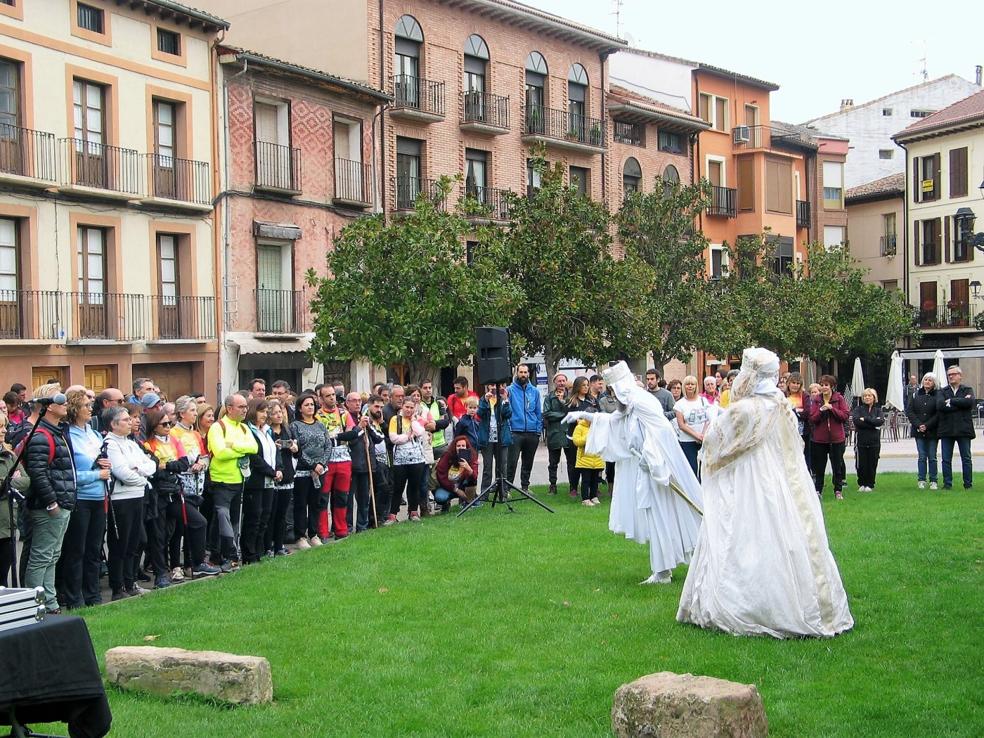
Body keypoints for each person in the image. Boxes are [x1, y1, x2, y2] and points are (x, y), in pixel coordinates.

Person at [676, 347, 854, 639]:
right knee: (787, 534)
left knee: (748, 533)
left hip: (751, 478)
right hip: (782, 477)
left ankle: (755, 606)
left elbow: (715, 443)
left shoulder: (747, 409)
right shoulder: (780, 403)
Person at [563, 361, 703, 584]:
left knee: (662, 515)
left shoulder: (641, 402)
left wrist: (654, 461)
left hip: (657, 469)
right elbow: (613, 420)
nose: (614, 397)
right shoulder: (630, 404)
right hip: (647, 469)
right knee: (656, 516)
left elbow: (661, 431)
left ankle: (664, 570)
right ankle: (662, 569)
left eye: (615, 392)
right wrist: (583, 415)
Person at [23, 385, 75, 612]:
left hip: (61, 502)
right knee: (41, 556)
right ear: (48, 407)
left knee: (52, 555)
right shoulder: (41, 436)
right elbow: (38, 472)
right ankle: (35, 605)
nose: (65, 405)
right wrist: (51, 502)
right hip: (49, 507)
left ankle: (50, 601)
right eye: (60, 401)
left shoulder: (55, 432)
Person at [60, 390, 111, 608]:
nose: (91, 408)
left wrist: (105, 465)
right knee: (76, 550)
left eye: (90, 405)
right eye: (85, 406)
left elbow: (102, 461)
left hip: (99, 497)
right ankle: (75, 597)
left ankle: (93, 595)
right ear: (74, 410)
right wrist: (95, 474)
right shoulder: (67, 436)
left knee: (94, 549)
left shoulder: (95, 433)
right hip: (80, 498)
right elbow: (69, 474)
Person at [104, 406, 156, 600]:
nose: (131, 422)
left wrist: (140, 470)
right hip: (121, 498)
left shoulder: (131, 443)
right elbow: (121, 471)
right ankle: (118, 587)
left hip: (137, 496)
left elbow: (150, 464)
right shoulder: (110, 444)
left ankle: (130, 581)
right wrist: (143, 480)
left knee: (135, 541)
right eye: (125, 420)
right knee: (121, 543)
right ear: (113, 424)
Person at [206, 394, 258, 568]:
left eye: (246, 407)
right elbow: (220, 452)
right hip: (221, 480)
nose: (245, 410)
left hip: (239, 480)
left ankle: (219, 554)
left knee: (234, 519)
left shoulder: (244, 428)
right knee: (223, 517)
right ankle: (230, 555)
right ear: (229, 408)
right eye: (241, 407)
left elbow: (253, 448)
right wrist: (241, 450)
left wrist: (233, 446)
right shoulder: (217, 427)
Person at [169, 397, 218, 577]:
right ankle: (176, 566)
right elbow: (174, 459)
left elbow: (204, 456)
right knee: (178, 529)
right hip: (181, 486)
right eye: (192, 411)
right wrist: (191, 464)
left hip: (197, 485)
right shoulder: (174, 434)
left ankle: (191, 563)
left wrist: (202, 464)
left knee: (192, 526)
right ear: (181, 413)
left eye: (196, 411)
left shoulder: (196, 434)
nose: (195, 414)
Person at [240, 398, 281, 563]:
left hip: (269, 482)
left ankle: (259, 551)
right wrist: (271, 472)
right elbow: (254, 457)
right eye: (261, 411)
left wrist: (279, 469)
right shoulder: (247, 430)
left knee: (265, 517)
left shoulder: (267, 430)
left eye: (266, 411)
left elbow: (274, 451)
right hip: (256, 481)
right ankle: (249, 555)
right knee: (254, 518)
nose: (265, 415)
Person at [289, 393, 332, 548]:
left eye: (312, 405)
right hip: (303, 472)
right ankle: (300, 536)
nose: (310, 407)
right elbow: (297, 450)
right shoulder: (295, 426)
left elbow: (328, 445)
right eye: (306, 405)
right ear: (300, 408)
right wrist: (312, 465)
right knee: (301, 504)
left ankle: (313, 534)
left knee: (317, 503)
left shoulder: (320, 425)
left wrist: (321, 464)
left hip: (320, 471)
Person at [318, 388, 361, 539]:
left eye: (333, 395)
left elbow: (352, 434)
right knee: (323, 498)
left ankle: (341, 530)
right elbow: (321, 439)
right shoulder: (318, 415)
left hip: (344, 459)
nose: (331, 398)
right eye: (327, 396)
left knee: (342, 497)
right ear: (321, 399)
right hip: (326, 460)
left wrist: (334, 438)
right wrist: (340, 437)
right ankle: (322, 532)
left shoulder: (343, 413)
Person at [345, 393, 383, 532]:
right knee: (348, 500)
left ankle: (362, 525)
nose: (357, 403)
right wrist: (359, 428)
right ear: (347, 403)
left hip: (366, 465)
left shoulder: (365, 418)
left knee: (364, 499)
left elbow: (379, 438)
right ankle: (347, 527)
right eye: (354, 401)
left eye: (359, 401)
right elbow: (350, 439)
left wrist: (369, 426)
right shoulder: (345, 417)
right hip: (351, 464)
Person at [808, 375, 850, 500]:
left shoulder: (839, 398)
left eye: (826, 385)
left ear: (832, 386)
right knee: (819, 467)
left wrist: (832, 409)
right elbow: (812, 418)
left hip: (837, 439)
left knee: (837, 466)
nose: (824, 387)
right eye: (822, 385)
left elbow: (845, 415)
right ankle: (818, 490)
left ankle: (838, 490)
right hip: (820, 439)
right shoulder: (817, 400)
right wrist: (821, 410)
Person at [0, 414, 30, 587]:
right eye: (0, 426)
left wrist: (9, 481)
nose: (4, 430)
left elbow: (26, 481)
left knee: (3, 577)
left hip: (7, 527)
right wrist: (10, 481)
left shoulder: (9, 455)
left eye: (4, 426)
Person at [388, 396, 428, 523]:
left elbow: (420, 432)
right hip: (400, 459)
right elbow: (394, 438)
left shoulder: (416, 419)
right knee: (398, 487)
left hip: (417, 459)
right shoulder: (395, 419)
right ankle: (393, 514)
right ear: (402, 407)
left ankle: (413, 511)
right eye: (407, 407)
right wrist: (407, 436)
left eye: (411, 408)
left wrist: (413, 421)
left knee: (414, 486)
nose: (409, 410)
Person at [937, 365, 976, 490]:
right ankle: (947, 484)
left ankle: (968, 484)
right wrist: (960, 403)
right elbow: (940, 406)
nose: (951, 377)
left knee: (966, 458)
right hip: (947, 429)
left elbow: (969, 403)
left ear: (960, 375)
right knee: (946, 459)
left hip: (964, 429)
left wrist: (952, 401)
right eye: (949, 375)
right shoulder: (942, 391)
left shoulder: (967, 389)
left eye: (953, 374)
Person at [267, 399, 297, 553]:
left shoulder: (287, 429)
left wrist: (293, 447)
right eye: (274, 413)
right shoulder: (267, 431)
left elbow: (296, 450)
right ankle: (269, 545)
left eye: (280, 412)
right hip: (272, 474)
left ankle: (279, 545)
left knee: (282, 514)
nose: (278, 415)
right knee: (271, 513)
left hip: (287, 473)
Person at [506, 364, 542, 494]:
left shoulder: (535, 392)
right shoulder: (509, 390)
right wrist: (509, 428)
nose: (523, 375)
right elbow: (506, 411)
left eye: (525, 372)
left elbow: (538, 412)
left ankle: (525, 486)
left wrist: (538, 430)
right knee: (512, 462)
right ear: (516, 373)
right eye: (521, 372)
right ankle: (507, 488)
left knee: (528, 462)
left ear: (529, 374)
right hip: (515, 431)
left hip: (532, 432)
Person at [674, 376, 714, 479]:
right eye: (688, 384)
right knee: (691, 469)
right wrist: (696, 435)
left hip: (704, 439)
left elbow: (708, 419)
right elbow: (681, 425)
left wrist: (703, 435)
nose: (690, 386)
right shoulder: (679, 404)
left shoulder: (703, 401)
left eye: (692, 384)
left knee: (704, 469)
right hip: (687, 441)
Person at [543, 374, 576, 496]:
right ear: (555, 382)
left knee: (571, 462)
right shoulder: (549, 397)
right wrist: (563, 415)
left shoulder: (571, 396)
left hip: (568, 432)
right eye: (559, 381)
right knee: (553, 462)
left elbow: (571, 411)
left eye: (563, 380)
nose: (561, 383)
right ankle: (553, 485)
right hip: (554, 433)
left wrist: (562, 402)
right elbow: (547, 414)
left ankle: (573, 487)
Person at [906, 373, 940, 490]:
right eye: (925, 379)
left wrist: (927, 425)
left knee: (932, 456)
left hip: (932, 430)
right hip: (918, 430)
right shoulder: (916, 395)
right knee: (921, 456)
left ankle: (933, 480)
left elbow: (938, 413)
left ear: (934, 383)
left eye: (930, 380)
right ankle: (921, 479)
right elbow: (910, 411)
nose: (927, 382)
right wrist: (919, 424)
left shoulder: (938, 395)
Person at [433, 435, 479, 512]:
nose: (461, 447)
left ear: (467, 447)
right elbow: (441, 476)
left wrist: (469, 469)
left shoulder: (472, 456)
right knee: (440, 497)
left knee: (472, 481)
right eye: (458, 446)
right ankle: (445, 504)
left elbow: (474, 477)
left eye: (463, 446)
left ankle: (468, 502)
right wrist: (456, 490)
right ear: (454, 447)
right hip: (448, 486)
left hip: (464, 485)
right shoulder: (447, 455)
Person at [852, 388, 884, 492]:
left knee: (872, 462)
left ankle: (870, 484)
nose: (867, 397)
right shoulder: (858, 409)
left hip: (874, 441)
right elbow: (857, 421)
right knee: (861, 463)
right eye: (865, 396)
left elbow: (880, 422)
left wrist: (865, 419)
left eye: (869, 395)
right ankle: (862, 483)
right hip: (861, 440)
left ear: (874, 397)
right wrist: (872, 423)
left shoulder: (878, 410)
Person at [572, 418, 603, 506]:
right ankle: (585, 499)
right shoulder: (579, 427)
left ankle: (594, 496)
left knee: (595, 480)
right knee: (586, 480)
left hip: (597, 458)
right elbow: (576, 441)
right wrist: (588, 437)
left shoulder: (599, 427)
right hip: (585, 459)